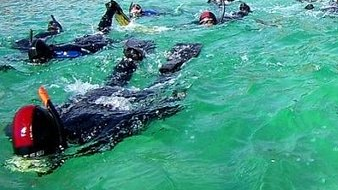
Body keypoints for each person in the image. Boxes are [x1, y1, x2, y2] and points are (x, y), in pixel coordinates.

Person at [5, 39, 201, 173]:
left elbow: (136, 118)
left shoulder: (89, 132)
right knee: (115, 80)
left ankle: (177, 59)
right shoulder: (29, 130)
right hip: (91, 97)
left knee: (156, 87)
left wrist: (171, 104)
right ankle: (131, 58)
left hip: (111, 105)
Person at [26, 0, 130, 63]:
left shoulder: (60, 53)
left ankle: (111, 10)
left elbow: (82, 52)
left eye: (39, 60)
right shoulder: (52, 50)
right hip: (79, 41)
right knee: (101, 31)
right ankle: (110, 10)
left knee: (102, 33)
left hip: (90, 44)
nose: (38, 62)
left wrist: (111, 44)